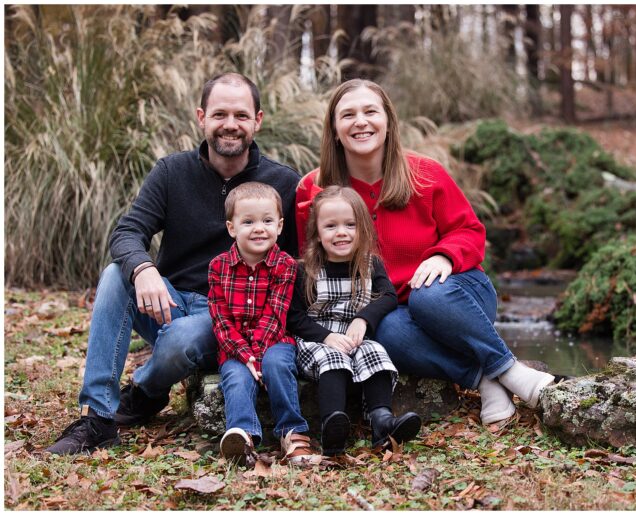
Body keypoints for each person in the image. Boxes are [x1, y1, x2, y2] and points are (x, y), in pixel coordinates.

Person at [46, 73, 301, 455]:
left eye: (241, 115)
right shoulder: (171, 172)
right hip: (169, 301)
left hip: (231, 317)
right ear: (201, 118)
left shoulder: (282, 182)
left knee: (183, 338)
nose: (230, 124)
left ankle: (147, 391)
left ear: (258, 121)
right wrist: (144, 269)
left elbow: (298, 261)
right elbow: (127, 232)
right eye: (219, 114)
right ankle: (98, 419)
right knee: (116, 274)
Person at [295, 79, 558, 428]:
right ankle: (486, 378)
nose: (361, 121)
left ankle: (509, 369)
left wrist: (444, 256)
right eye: (348, 115)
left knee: (427, 295)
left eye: (370, 111)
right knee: (385, 333)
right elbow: (307, 265)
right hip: (390, 313)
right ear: (334, 128)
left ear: (388, 121)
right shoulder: (313, 191)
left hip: (454, 297)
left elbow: (472, 232)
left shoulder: (424, 174)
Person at [287, 186, 421, 456]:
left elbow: (388, 297)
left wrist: (363, 319)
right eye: (331, 226)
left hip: (354, 337)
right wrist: (325, 337)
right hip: (316, 341)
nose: (341, 233)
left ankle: (382, 422)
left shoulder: (370, 264)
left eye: (350, 225)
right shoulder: (305, 269)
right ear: (317, 232)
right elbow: (294, 317)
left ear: (363, 229)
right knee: (332, 360)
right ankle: (332, 425)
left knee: (375, 352)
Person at [209, 182, 315, 465]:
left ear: (280, 226)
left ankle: (292, 432)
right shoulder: (218, 267)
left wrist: (258, 355)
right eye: (248, 221)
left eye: (267, 221)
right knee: (235, 376)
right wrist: (245, 356)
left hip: (276, 340)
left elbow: (276, 314)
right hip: (234, 347)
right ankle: (242, 435)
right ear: (232, 228)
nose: (259, 228)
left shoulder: (286, 265)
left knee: (277, 365)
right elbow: (220, 320)